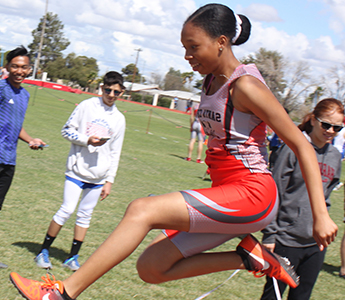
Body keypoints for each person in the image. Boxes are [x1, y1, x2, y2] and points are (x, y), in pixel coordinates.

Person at [10, 4, 337, 300]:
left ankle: (61, 294)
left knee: (141, 210)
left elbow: (300, 145)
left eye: (194, 47)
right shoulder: (210, 81)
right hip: (227, 193)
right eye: (184, 48)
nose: (187, 56)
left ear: (221, 42)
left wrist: (321, 215)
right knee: (152, 266)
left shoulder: (247, 85)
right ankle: (249, 258)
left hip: (253, 195)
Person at [34, 71, 126, 271]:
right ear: (102, 88)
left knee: (85, 215)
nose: (111, 95)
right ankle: (43, 251)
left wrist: (109, 180)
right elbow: (66, 130)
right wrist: (86, 140)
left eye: (116, 92)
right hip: (76, 171)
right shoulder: (86, 106)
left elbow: (115, 152)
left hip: (98, 177)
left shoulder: (119, 119)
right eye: (108, 90)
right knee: (67, 209)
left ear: (122, 93)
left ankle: (72, 257)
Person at [260, 98, 343, 300]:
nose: (331, 131)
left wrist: (324, 230)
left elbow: (327, 196)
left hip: (315, 243)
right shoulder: (291, 149)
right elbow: (274, 192)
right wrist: (270, 235)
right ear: (313, 120)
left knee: (302, 296)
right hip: (285, 239)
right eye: (326, 124)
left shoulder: (334, 156)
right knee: (274, 296)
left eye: (337, 128)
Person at [0, 46, 46, 269]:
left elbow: (15, 125)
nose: (19, 70)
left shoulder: (25, 95)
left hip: (9, 159)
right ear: (7, 67)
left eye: (23, 67)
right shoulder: (1, 88)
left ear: (30, 69)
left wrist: (30, 140)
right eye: (15, 66)